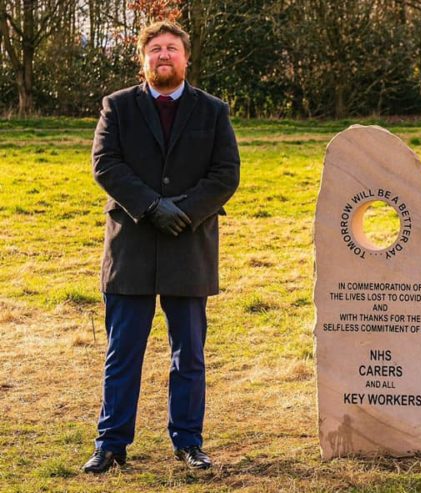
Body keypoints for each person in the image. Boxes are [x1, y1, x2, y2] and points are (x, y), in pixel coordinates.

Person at [82, 21, 240, 473]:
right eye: (155, 49)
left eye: (172, 48)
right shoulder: (117, 106)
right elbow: (105, 164)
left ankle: (188, 441)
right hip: (130, 246)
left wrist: (184, 211)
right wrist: (151, 207)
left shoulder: (213, 111)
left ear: (186, 59)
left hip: (188, 246)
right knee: (122, 352)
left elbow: (226, 174)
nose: (163, 55)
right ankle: (110, 444)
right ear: (142, 59)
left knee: (188, 353)